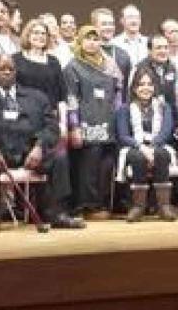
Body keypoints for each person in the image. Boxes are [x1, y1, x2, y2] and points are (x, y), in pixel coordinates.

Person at [0, 55, 84, 236]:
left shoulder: (37, 97)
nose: (7, 72)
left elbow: (51, 127)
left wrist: (39, 146)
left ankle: (58, 214)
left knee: (60, 158)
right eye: (2, 69)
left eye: (11, 69)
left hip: (29, 152)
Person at [63, 25, 122, 220]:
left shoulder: (110, 65)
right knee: (88, 166)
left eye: (95, 39)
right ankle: (87, 205)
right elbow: (71, 99)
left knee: (106, 165)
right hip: (86, 124)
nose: (92, 43)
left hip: (108, 122)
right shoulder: (73, 66)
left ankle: (102, 203)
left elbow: (118, 93)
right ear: (80, 41)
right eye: (87, 39)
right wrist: (74, 127)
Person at [116, 66, 178, 222]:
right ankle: (138, 206)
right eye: (141, 84)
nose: (146, 88)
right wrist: (142, 147)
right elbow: (123, 136)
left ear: (154, 87)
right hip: (134, 147)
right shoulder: (124, 109)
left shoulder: (164, 107)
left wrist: (153, 146)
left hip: (158, 145)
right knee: (137, 157)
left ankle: (164, 206)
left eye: (149, 84)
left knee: (162, 154)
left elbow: (166, 132)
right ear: (134, 88)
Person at [12, 19, 68, 133]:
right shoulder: (15, 59)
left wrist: (63, 123)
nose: (40, 36)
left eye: (43, 33)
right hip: (24, 119)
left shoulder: (54, 61)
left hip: (50, 119)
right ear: (28, 35)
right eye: (36, 32)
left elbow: (62, 96)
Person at [131, 34, 178, 137]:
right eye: (158, 48)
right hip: (146, 124)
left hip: (170, 121)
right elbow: (131, 98)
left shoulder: (172, 67)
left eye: (166, 47)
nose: (163, 51)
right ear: (149, 50)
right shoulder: (138, 69)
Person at [91, 7, 131, 88]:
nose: (109, 27)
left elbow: (125, 90)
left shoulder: (123, 56)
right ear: (94, 26)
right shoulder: (84, 54)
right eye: (104, 24)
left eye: (111, 24)